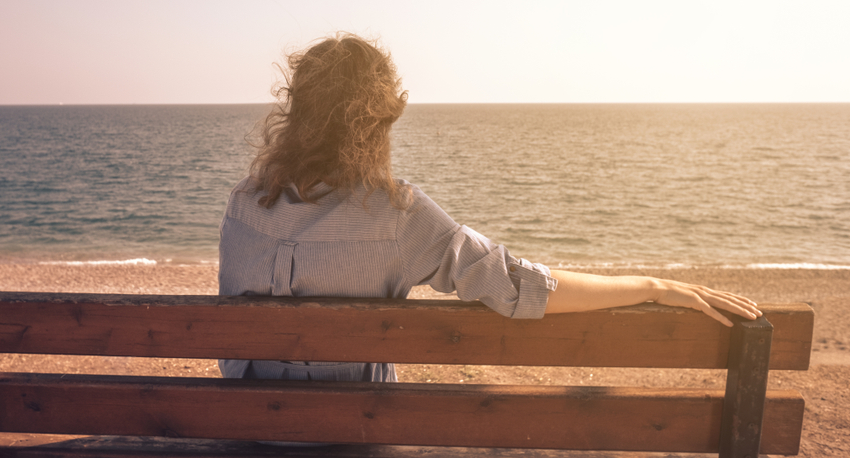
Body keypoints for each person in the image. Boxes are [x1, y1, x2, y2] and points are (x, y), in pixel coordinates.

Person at [218, 32, 760, 383]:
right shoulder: (397, 216)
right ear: (376, 122)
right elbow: (518, 286)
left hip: (247, 431)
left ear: (296, 112)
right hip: (354, 437)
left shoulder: (245, 204)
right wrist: (651, 286)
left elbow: (231, 350)